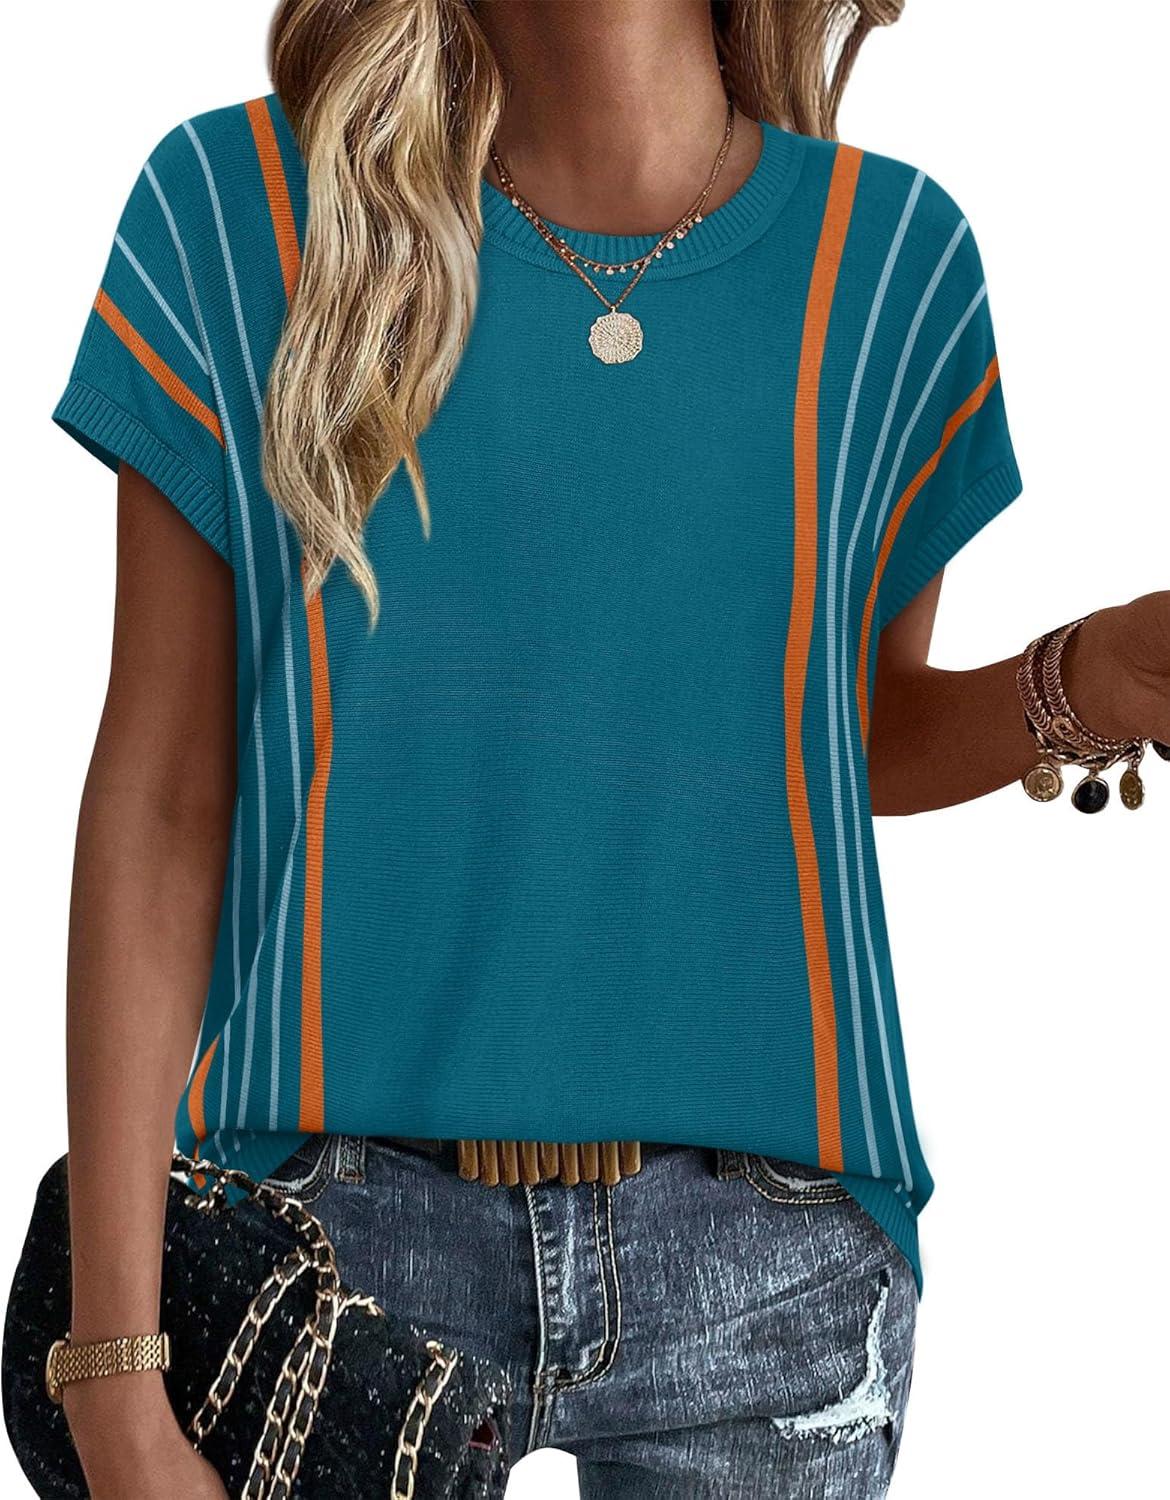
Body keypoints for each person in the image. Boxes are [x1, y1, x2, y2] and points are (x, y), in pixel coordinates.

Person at [39, 1, 1169, 1496]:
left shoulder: (887, 261)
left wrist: (1087, 680)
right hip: (323, 1253)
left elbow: (835, 737)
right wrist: (114, 1373)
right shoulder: (239, 211)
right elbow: (167, 798)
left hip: (770, 1268)